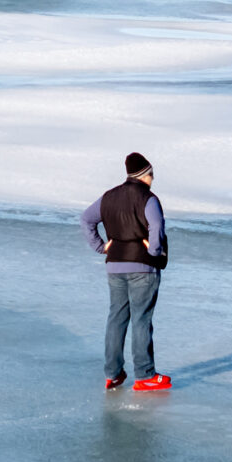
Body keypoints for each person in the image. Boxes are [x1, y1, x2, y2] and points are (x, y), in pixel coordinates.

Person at [82, 151, 170, 392]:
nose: (153, 179)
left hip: (115, 266)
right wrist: (154, 251)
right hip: (143, 268)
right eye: (152, 174)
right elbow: (157, 226)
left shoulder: (108, 197)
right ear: (145, 174)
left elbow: (86, 219)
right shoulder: (148, 198)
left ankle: (112, 374)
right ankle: (145, 376)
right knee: (141, 319)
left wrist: (101, 246)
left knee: (116, 318)